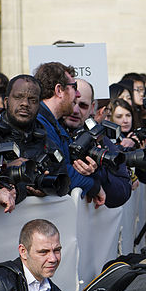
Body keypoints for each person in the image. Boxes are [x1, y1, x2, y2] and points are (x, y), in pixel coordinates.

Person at [0, 74, 69, 197]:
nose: (25, 104)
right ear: (6, 102)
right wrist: (6, 171)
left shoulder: (48, 144)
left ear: (39, 105)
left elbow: (63, 185)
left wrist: (46, 190)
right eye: (18, 97)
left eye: (32, 100)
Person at [34, 61, 101, 199]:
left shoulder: (55, 125)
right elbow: (61, 171)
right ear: (59, 90)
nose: (77, 94)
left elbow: (70, 165)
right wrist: (94, 187)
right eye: (74, 87)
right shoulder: (39, 124)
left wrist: (87, 168)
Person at [63, 79, 131, 208]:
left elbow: (122, 191)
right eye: (71, 103)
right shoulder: (50, 132)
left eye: (83, 105)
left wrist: (98, 174)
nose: (75, 110)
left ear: (92, 108)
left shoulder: (98, 137)